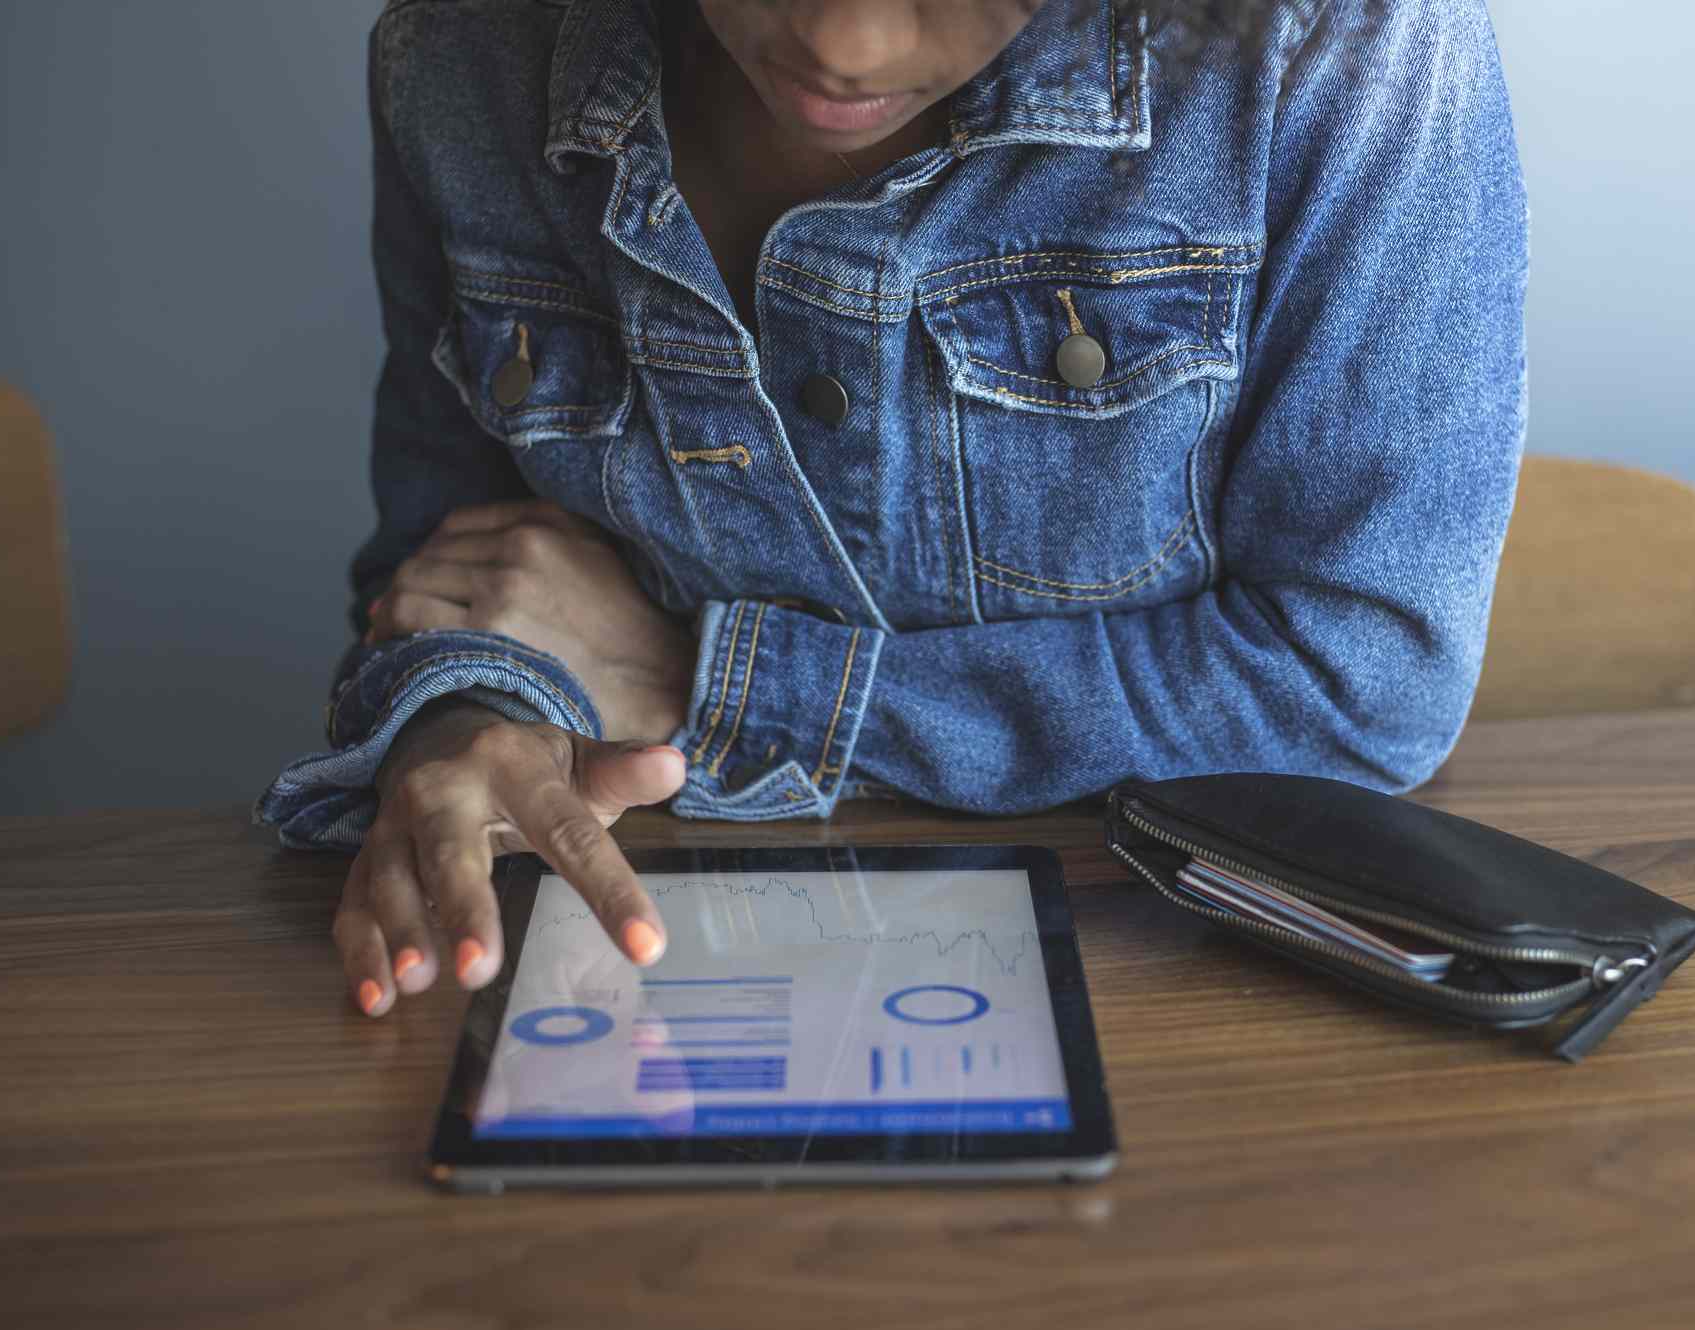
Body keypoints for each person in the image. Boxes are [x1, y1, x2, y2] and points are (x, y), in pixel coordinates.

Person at [258, 0, 1529, 1019]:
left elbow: (1362, 678)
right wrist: (464, 720)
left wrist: (710, 679)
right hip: (638, 988)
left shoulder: (1344, 48)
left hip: (1189, 991)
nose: (842, 45)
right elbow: (446, 575)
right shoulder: (461, 58)